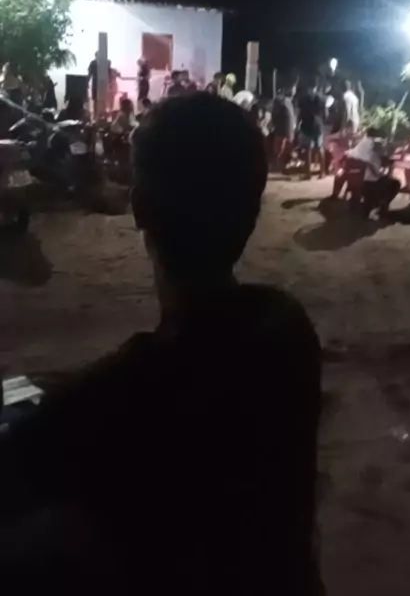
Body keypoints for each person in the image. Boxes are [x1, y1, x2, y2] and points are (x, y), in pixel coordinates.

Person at [0, 93, 322, 593]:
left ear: (140, 207)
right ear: (253, 206)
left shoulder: (126, 394)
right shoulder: (286, 327)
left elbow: (34, 449)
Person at [347, 126, 400, 217]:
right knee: (395, 183)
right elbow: (383, 159)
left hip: (354, 179)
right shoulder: (376, 145)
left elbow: (351, 154)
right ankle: (381, 205)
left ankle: (373, 204)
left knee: (383, 178)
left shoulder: (362, 143)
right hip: (370, 183)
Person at [297, 86, 324, 179]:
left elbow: (300, 113)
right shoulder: (320, 99)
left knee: (308, 149)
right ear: (316, 88)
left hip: (307, 125)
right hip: (318, 125)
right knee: (319, 149)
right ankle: (322, 172)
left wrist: (298, 124)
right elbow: (325, 113)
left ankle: (308, 174)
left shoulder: (303, 99)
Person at [271, 88, 296, 171]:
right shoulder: (282, 101)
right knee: (281, 147)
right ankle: (278, 165)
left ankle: (281, 165)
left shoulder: (288, 101)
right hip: (283, 128)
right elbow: (275, 114)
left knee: (284, 147)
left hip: (286, 128)